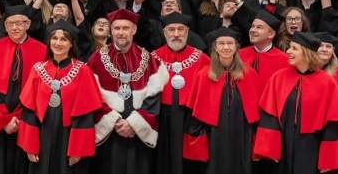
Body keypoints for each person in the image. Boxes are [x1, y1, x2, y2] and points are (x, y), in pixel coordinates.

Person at [253, 31, 338, 174]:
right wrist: (269, 148)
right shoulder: (279, 78)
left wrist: (329, 158)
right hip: (283, 145)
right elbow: (270, 116)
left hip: (313, 146)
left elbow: (335, 125)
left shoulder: (328, 83)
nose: (288, 51)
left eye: (294, 48)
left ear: (307, 53)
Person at [87, 9, 169, 174]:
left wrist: (134, 123)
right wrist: (113, 121)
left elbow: (154, 96)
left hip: (137, 134)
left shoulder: (149, 59)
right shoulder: (96, 58)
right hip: (108, 134)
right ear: (111, 31)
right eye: (117, 28)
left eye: (125, 28)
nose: (121, 33)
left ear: (134, 30)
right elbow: (90, 93)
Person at [18, 19, 103, 174]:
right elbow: (29, 110)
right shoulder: (38, 70)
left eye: (64, 39)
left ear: (71, 44)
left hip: (69, 136)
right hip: (42, 134)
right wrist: (30, 145)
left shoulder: (83, 71)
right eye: (54, 38)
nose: (58, 43)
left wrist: (78, 149)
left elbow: (85, 114)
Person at [0, 5, 47, 174]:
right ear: (4, 26)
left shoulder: (42, 51)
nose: (14, 28)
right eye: (9, 24)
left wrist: (21, 117)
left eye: (19, 23)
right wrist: (4, 119)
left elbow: (43, 91)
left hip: (28, 121)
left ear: (28, 24)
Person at [183, 26, 262, 173]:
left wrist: (257, 147)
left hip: (243, 135)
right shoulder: (203, 75)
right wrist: (199, 149)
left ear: (237, 47)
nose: (226, 47)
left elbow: (257, 117)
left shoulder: (249, 74)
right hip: (214, 135)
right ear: (215, 47)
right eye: (221, 43)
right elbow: (196, 118)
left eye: (230, 43)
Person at [151, 12, 209, 174]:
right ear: (164, 32)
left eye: (181, 29)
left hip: (190, 118)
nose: (176, 34)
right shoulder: (152, 58)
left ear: (187, 32)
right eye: (171, 30)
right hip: (161, 116)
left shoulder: (202, 59)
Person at [239, 7, 290, 84]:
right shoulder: (238, 55)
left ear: (271, 34)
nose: (253, 30)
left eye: (259, 27)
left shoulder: (284, 60)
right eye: (252, 26)